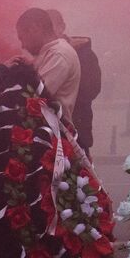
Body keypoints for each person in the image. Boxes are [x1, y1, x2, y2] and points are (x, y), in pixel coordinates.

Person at [47, 9, 103, 154]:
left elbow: (92, 89)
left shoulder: (83, 54)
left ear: (62, 27)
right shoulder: (45, 54)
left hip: (77, 129)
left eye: (51, 27)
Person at [15, 7, 80, 117]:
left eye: (22, 38)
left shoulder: (59, 55)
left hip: (50, 131)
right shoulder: (52, 52)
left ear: (35, 29)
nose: (23, 46)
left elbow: (34, 96)